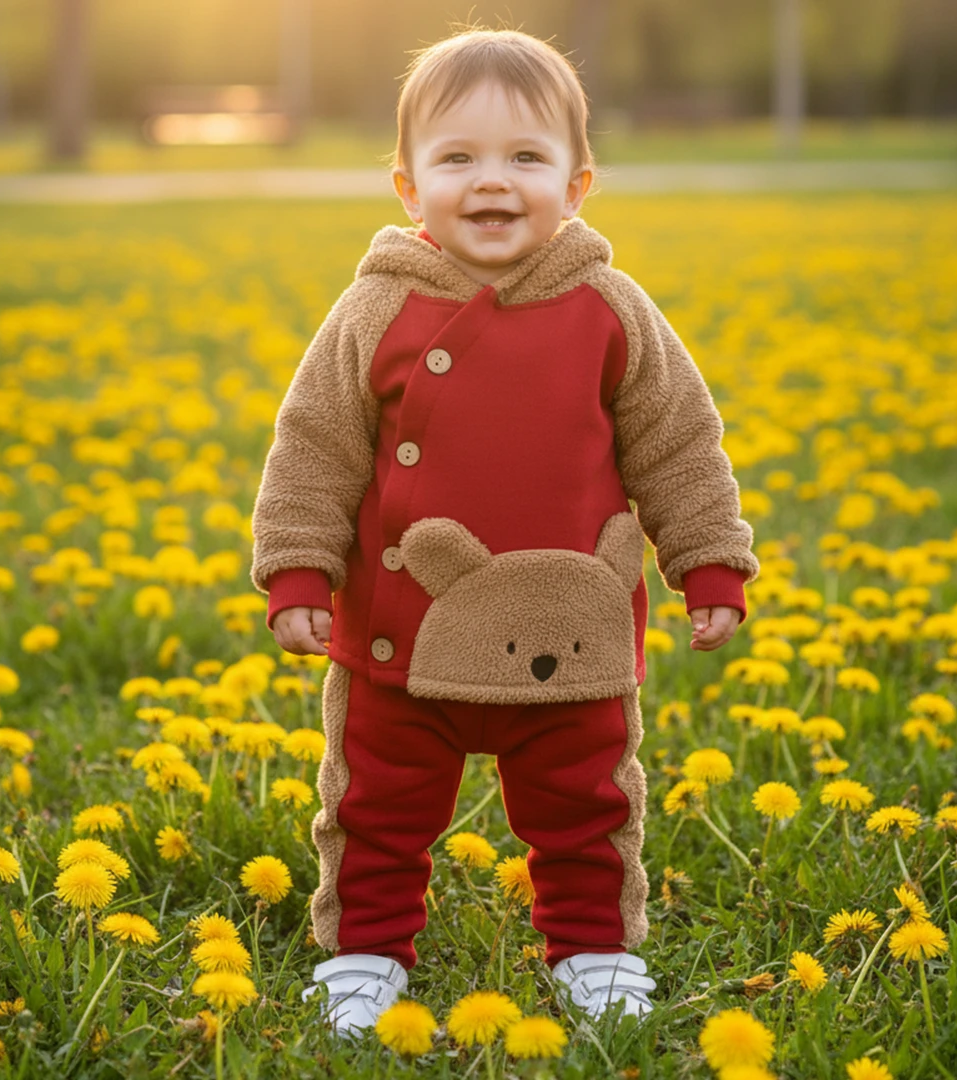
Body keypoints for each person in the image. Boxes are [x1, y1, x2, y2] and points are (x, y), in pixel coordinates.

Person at [250, 26, 759, 1037]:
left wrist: (709, 562)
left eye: (527, 158)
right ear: (408, 186)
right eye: (458, 158)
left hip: (570, 636)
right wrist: (298, 571)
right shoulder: (375, 308)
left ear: (577, 186)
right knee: (373, 813)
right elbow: (313, 445)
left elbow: (678, 443)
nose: (494, 182)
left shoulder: (611, 310)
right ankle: (364, 951)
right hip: (403, 636)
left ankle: (594, 950)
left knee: (589, 808)